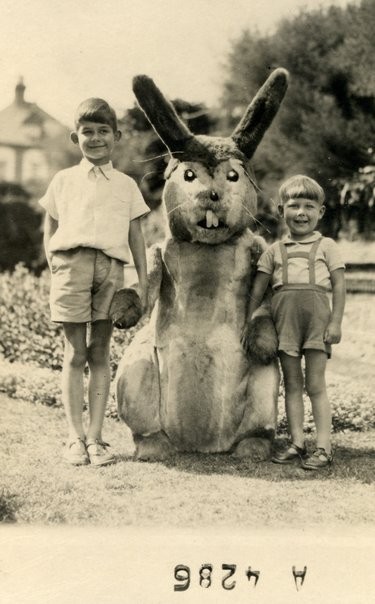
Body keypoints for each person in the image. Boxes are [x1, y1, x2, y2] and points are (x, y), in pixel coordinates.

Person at [40, 98, 150, 466]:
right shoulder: (63, 180)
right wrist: (55, 265)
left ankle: (96, 439)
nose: (96, 138)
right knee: (75, 353)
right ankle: (74, 438)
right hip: (71, 266)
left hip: (110, 269)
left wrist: (143, 282)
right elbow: (50, 226)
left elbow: (136, 236)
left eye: (104, 131)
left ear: (116, 136)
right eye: (88, 131)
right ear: (76, 137)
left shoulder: (126, 185)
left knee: (100, 351)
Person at [242, 175, 346, 470]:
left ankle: (324, 447)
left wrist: (335, 323)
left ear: (321, 212)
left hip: (317, 325)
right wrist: (249, 320)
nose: (301, 213)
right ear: (280, 210)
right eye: (294, 205)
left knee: (316, 385)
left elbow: (339, 286)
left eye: (309, 206)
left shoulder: (327, 246)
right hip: (284, 325)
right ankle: (297, 442)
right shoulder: (274, 251)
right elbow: (258, 290)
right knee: (292, 385)